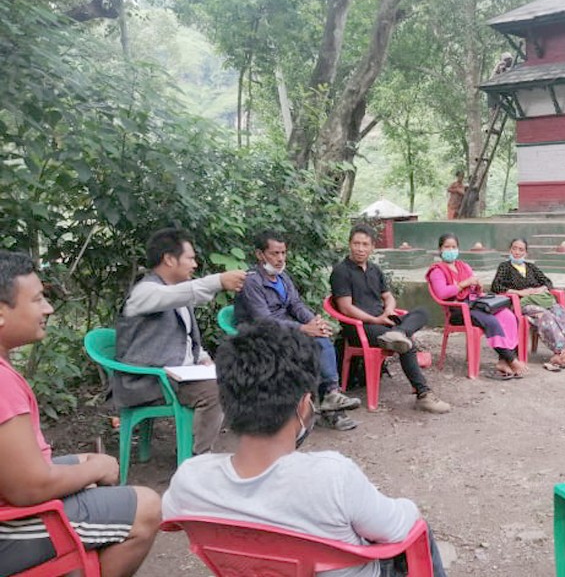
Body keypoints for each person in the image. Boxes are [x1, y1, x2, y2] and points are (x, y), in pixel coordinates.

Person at [162, 321, 449, 577]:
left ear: (226, 401)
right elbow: (401, 526)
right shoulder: (332, 476)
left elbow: (169, 518)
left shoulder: (190, 479)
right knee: (413, 530)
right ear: (303, 404)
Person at [0, 251, 161, 576]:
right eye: (37, 300)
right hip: (9, 529)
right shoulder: (2, 383)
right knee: (147, 507)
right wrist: (96, 468)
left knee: (85, 463)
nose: (48, 308)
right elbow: (28, 488)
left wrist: (85, 465)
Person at [115, 228, 246, 455]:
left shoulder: (176, 292)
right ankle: (198, 456)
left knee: (231, 377)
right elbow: (179, 295)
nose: (194, 264)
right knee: (217, 390)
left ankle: (191, 446)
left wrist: (204, 359)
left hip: (177, 375)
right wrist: (218, 281)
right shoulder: (145, 291)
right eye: (190, 258)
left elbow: (185, 339)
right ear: (169, 259)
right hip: (146, 381)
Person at [235, 230, 360, 431]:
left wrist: (314, 321)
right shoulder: (252, 281)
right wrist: (303, 328)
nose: (280, 258)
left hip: (285, 329)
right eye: (274, 253)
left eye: (283, 253)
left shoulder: (283, 277)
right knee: (310, 343)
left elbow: (296, 305)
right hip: (259, 335)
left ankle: (330, 397)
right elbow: (264, 321)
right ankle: (328, 403)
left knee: (321, 336)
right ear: (260, 254)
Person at [332, 224, 450, 414]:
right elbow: (346, 308)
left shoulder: (374, 269)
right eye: (356, 243)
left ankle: (399, 333)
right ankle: (423, 394)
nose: (360, 248)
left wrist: (388, 311)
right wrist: (376, 319)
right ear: (349, 244)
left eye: (365, 244)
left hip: (383, 323)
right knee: (406, 344)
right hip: (360, 327)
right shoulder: (341, 271)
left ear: (372, 248)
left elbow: (388, 296)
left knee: (422, 312)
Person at [427, 233, 527, 379]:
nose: (451, 250)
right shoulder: (437, 270)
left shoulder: (463, 266)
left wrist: (476, 286)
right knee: (491, 321)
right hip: (458, 310)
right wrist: (463, 284)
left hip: (474, 304)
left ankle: (503, 361)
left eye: (454, 247)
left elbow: (473, 289)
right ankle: (512, 360)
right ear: (440, 249)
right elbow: (442, 293)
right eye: (447, 247)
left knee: (508, 316)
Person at [491, 238, 565, 371]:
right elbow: (496, 286)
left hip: (539, 299)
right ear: (510, 250)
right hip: (521, 304)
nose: (517, 252)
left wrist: (539, 290)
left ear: (526, 253)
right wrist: (520, 292)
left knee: (560, 311)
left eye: (521, 249)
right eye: (514, 248)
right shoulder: (504, 267)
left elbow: (547, 282)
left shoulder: (531, 267)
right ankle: (560, 352)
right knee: (544, 315)